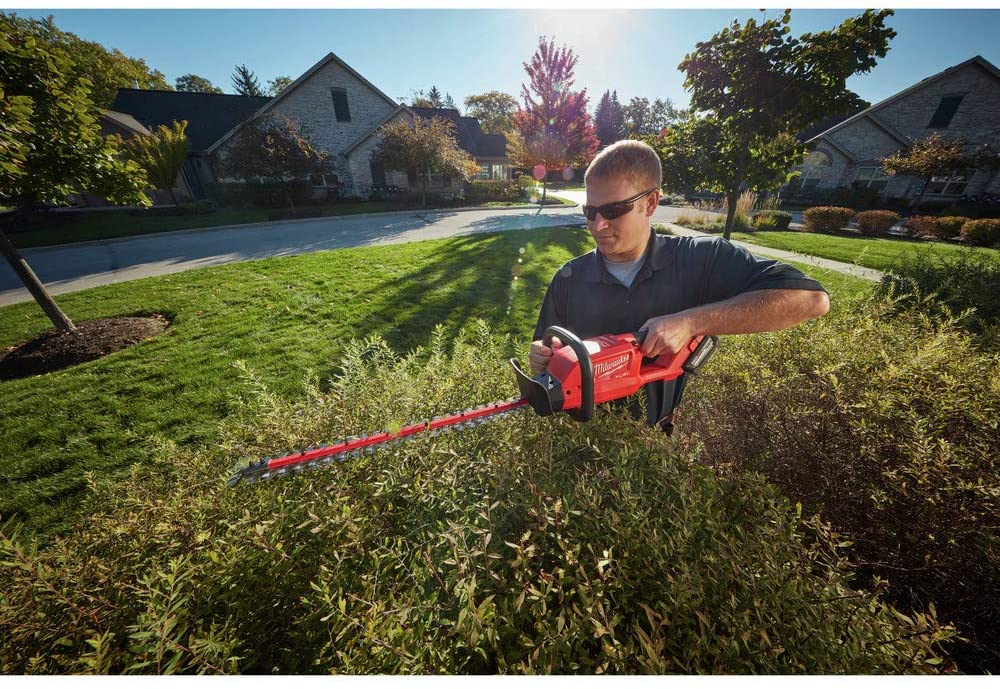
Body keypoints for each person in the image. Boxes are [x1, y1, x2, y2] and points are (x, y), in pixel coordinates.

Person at [529, 140, 830, 435]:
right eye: (590, 212)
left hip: (659, 440)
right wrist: (543, 357)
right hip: (580, 441)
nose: (598, 226)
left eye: (613, 211)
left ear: (650, 203)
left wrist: (691, 322)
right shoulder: (569, 277)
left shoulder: (701, 259)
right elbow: (546, 349)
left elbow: (811, 300)